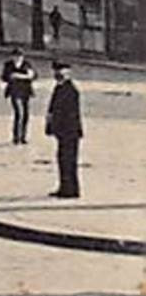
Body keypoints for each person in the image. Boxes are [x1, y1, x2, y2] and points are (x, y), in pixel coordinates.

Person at [45, 60, 82, 198]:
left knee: (69, 160)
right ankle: (64, 187)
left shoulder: (70, 90)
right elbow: (52, 110)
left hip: (69, 131)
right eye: (57, 71)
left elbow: (70, 114)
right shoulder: (59, 88)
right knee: (63, 159)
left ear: (68, 73)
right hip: (62, 132)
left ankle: (71, 190)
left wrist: (61, 128)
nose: (58, 74)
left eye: (62, 72)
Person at [0, 47, 36, 144]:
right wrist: (22, 77)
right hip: (14, 92)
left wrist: (18, 76)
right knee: (18, 113)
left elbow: (33, 76)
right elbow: (4, 77)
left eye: (20, 56)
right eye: (16, 56)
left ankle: (23, 136)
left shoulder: (27, 64)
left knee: (26, 115)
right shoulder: (8, 65)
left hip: (25, 92)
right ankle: (16, 137)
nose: (18, 58)